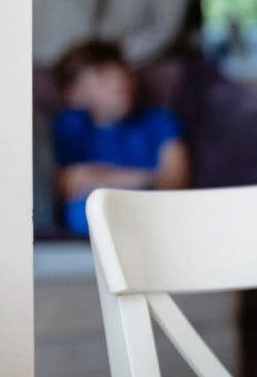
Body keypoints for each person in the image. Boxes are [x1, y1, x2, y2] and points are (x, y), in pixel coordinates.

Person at [51, 40, 189, 235]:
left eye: (121, 71)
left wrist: (98, 176)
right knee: (80, 213)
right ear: (75, 94)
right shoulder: (69, 126)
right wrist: (148, 180)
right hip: (96, 224)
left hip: (154, 217)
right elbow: (63, 185)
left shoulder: (159, 121)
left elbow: (174, 185)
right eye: (102, 76)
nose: (119, 81)